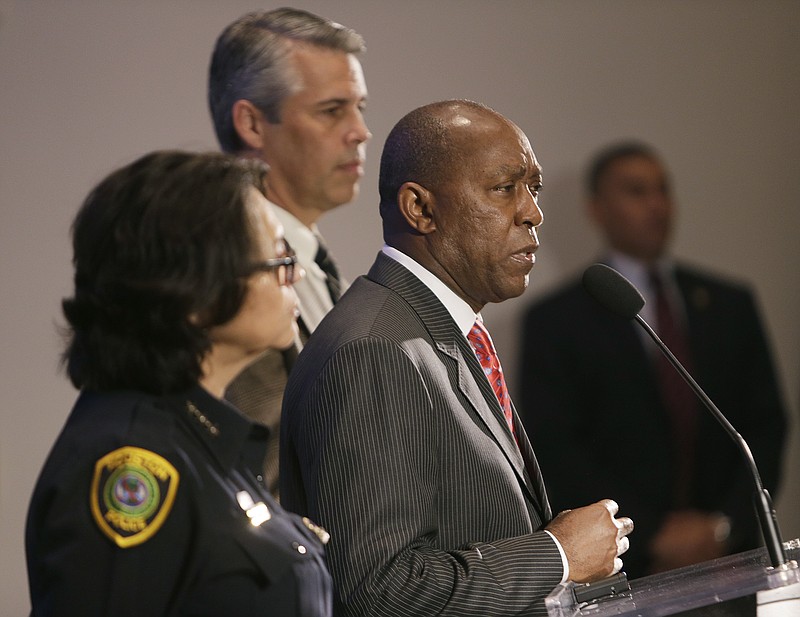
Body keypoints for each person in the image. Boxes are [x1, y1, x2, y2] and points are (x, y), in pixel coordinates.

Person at [280, 100, 634, 617]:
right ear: (419, 208)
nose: (533, 212)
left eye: (532, 187)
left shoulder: (437, 329)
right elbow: (377, 593)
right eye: (504, 187)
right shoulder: (375, 352)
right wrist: (555, 554)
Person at [25, 151, 333, 616]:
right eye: (278, 258)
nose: (297, 274)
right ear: (196, 292)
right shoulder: (133, 463)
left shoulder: (205, 438)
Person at [518, 141, 788, 577]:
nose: (657, 205)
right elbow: (555, 448)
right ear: (597, 209)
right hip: (628, 563)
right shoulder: (555, 320)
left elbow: (765, 425)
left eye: (663, 189)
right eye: (636, 191)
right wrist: (650, 532)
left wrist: (725, 524)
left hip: (733, 556)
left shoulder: (729, 303)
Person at [208, 7, 371, 496]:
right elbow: (268, 479)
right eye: (332, 110)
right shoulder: (226, 273)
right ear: (253, 124)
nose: (360, 131)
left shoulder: (314, 264)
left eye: (361, 106)